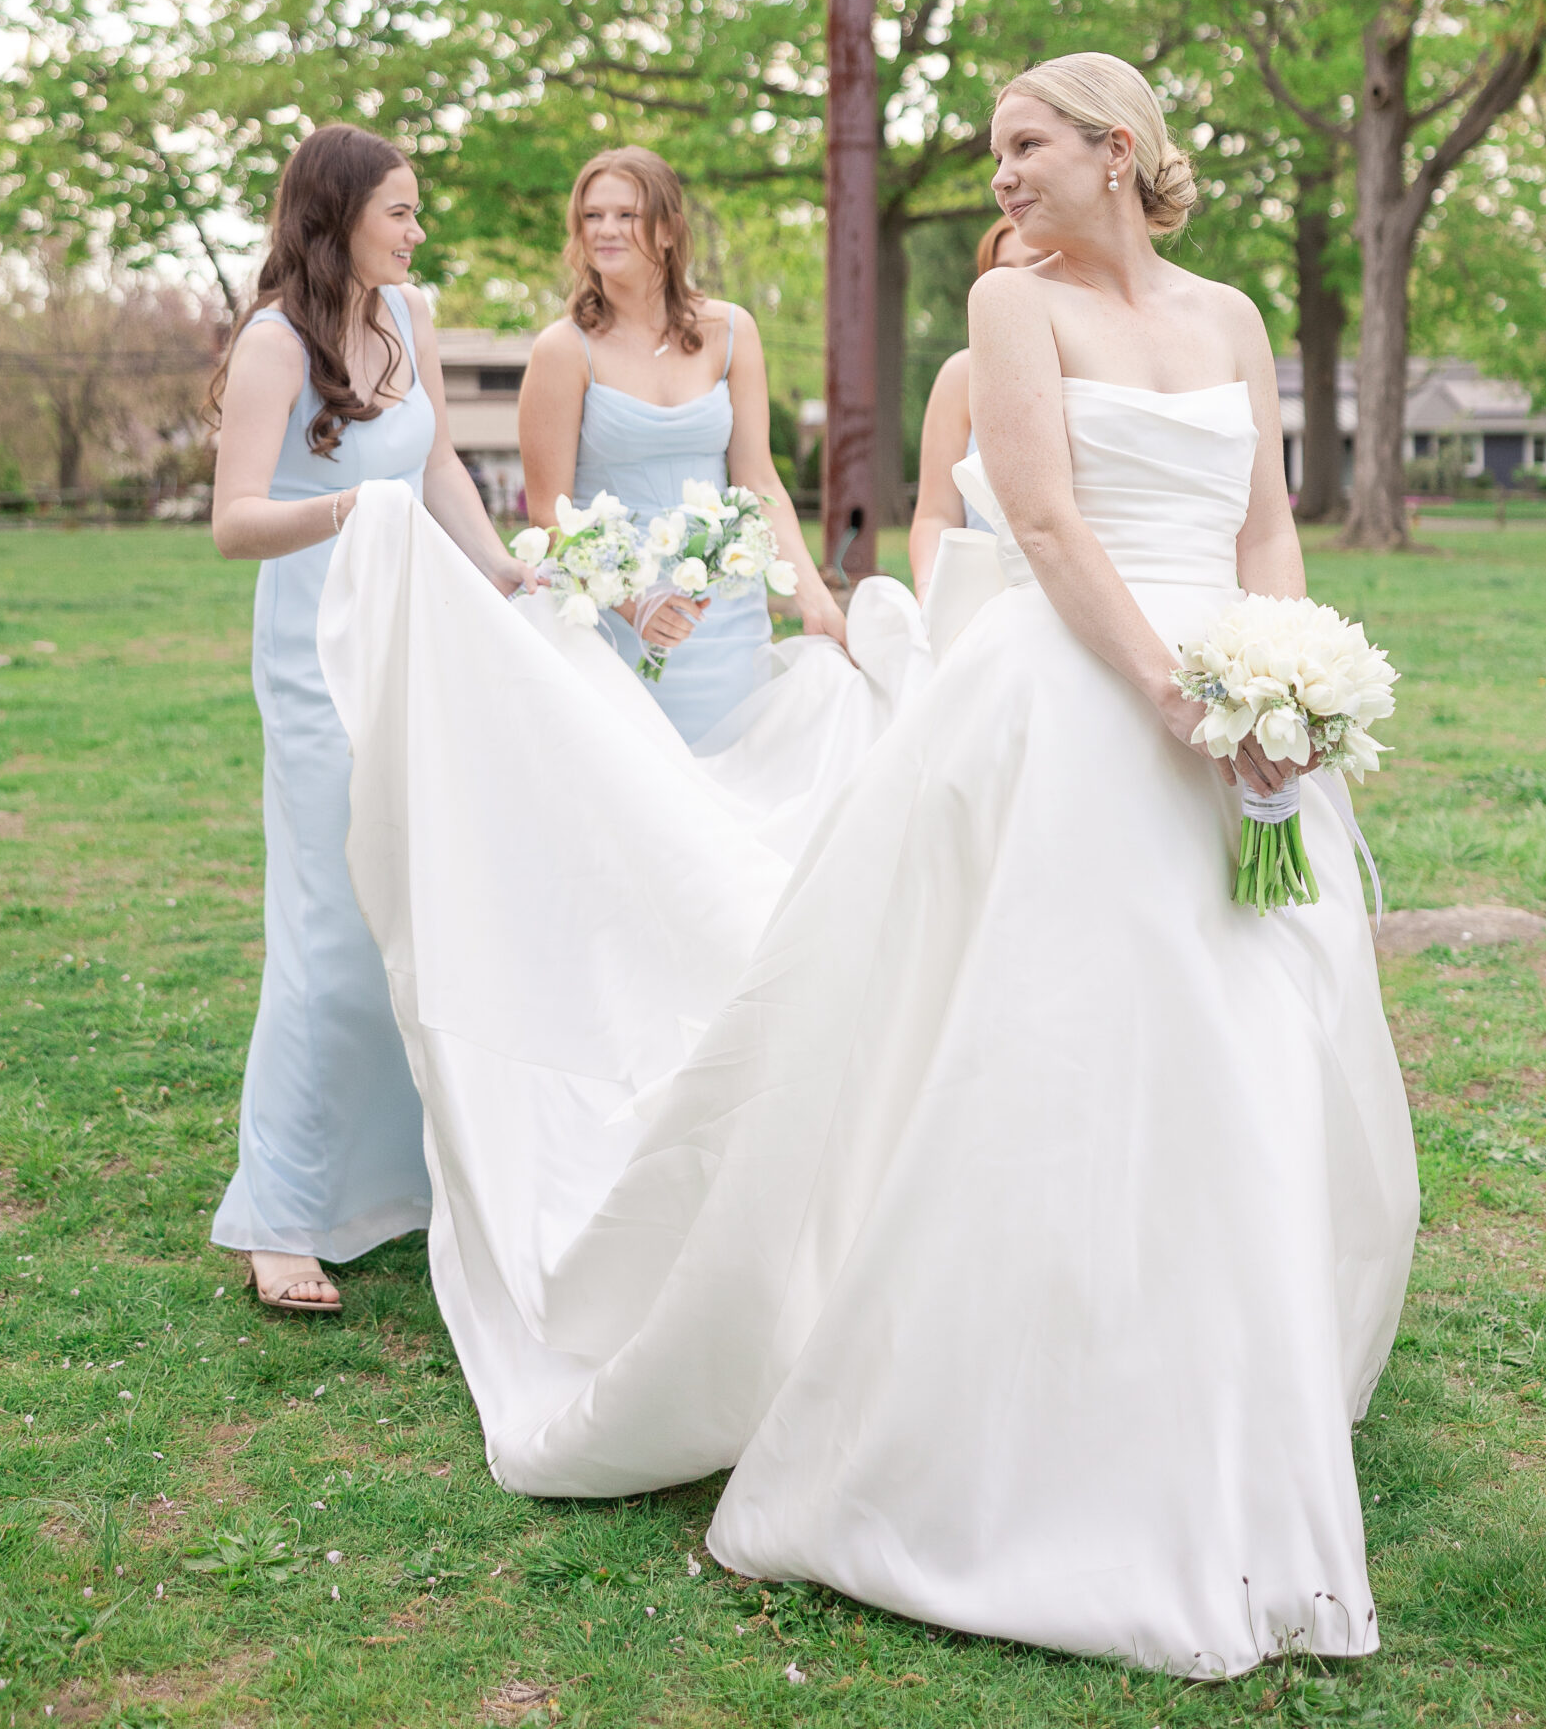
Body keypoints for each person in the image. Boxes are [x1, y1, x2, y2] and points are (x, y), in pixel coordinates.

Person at [320, 54, 1418, 1676]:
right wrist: (1185, 702)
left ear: (1118, 150)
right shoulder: (1013, 315)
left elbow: (1262, 521)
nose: (1000, 177)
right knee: (1056, 1046)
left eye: (1024, 147)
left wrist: (1282, 670)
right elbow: (1040, 519)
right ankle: (1003, 1407)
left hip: (1247, 728)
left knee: (1245, 1040)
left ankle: (1215, 1381)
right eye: (992, 153)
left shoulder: (1235, 319)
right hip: (1088, 709)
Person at [208, 126, 535, 1314]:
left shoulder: (411, 313)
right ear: (337, 213)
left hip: (416, 634)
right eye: (399, 210)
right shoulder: (274, 341)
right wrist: (350, 506)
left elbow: (438, 459)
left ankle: (396, 1181)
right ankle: (279, 1212)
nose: (415, 229)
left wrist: (498, 569)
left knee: (415, 903)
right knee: (328, 925)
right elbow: (235, 522)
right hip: (313, 647)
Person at [517, 145, 844, 746]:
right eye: (592, 216)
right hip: (612, 617)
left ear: (667, 230)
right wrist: (635, 603)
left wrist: (812, 592)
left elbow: (758, 479)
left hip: (724, 609)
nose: (606, 230)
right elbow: (549, 515)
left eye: (627, 215)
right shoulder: (563, 350)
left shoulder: (731, 330)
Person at [908, 214, 1039, 599]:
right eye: (1004, 272)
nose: (1019, 284)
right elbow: (934, 516)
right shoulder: (962, 375)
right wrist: (930, 594)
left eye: (1037, 265)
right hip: (979, 599)